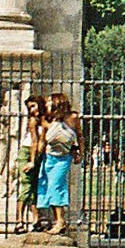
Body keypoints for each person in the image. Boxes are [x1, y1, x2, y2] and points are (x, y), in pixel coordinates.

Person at [37, 92, 82, 235]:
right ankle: (55, 220)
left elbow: (80, 136)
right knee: (48, 188)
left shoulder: (73, 118)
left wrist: (80, 152)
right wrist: (34, 159)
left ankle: (61, 222)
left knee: (55, 185)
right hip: (49, 158)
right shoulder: (46, 120)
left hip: (64, 158)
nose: (47, 104)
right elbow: (42, 141)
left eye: (50, 102)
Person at [15, 95, 46, 232]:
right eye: (30, 108)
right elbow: (35, 141)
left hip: (38, 154)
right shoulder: (33, 121)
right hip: (28, 152)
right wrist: (32, 161)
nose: (33, 110)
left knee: (35, 186)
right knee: (26, 185)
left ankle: (35, 219)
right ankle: (19, 220)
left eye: (34, 106)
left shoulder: (44, 120)